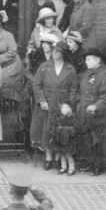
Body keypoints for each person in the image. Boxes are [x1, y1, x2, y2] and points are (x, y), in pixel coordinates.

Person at [32, 41, 80, 172]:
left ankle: (59, 159)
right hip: (48, 102)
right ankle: (48, 158)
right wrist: (42, 100)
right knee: (47, 129)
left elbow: (74, 89)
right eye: (53, 50)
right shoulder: (44, 66)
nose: (54, 53)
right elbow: (36, 85)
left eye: (58, 51)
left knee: (61, 131)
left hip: (63, 103)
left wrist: (69, 105)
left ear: (63, 54)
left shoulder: (70, 69)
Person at [77, 49, 106, 175]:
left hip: (99, 114)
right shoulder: (86, 74)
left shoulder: (104, 75)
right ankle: (90, 163)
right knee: (87, 139)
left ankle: (99, 166)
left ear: (97, 60)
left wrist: (96, 106)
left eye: (89, 59)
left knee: (99, 140)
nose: (86, 62)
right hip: (84, 112)